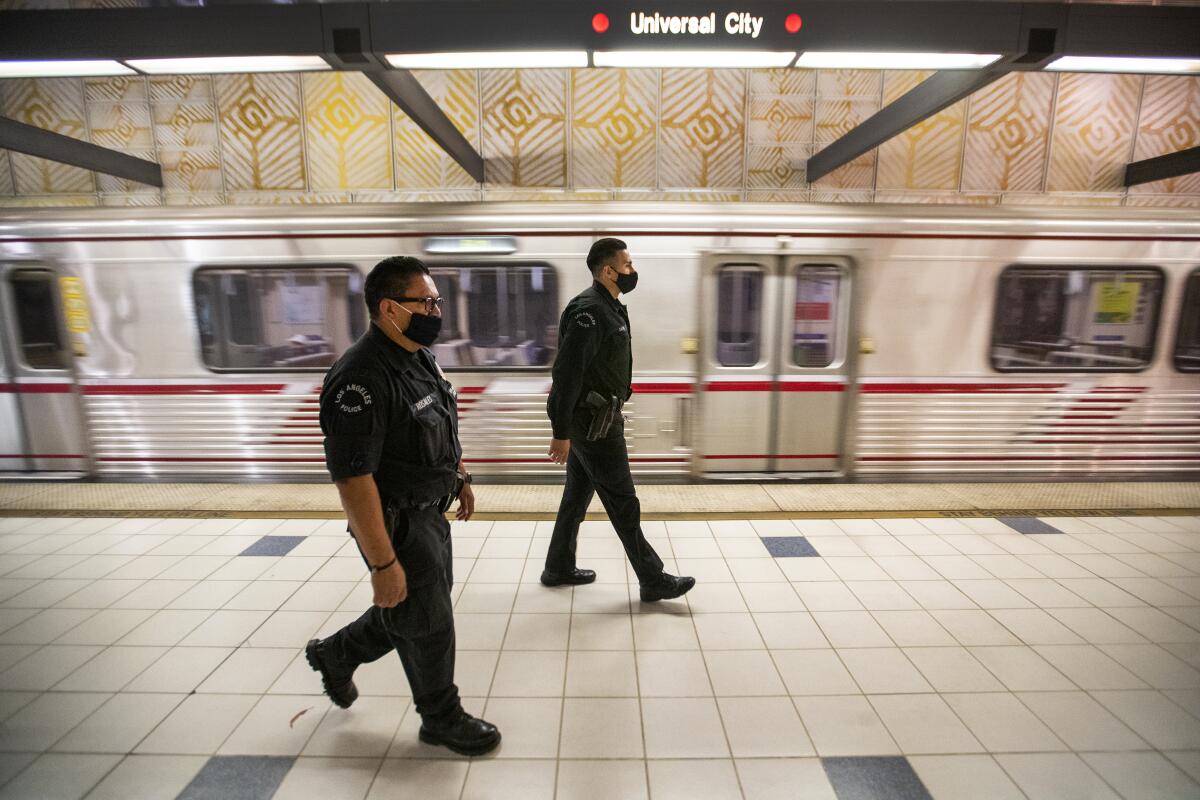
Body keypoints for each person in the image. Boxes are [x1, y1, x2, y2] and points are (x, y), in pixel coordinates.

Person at [305, 255, 500, 756]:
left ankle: (335, 654)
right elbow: (353, 480)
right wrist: (383, 561)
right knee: (429, 620)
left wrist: (459, 478)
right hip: (396, 522)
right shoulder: (360, 378)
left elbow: (437, 423)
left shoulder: (415, 354)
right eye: (427, 301)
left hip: (428, 513)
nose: (437, 310)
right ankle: (441, 717)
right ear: (390, 308)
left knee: (414, 607)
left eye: (436, 300)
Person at [543, 238, 696, 602]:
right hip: (594, 425)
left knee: (576, 497)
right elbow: (567, 375)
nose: (633, 271)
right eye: (628, 265)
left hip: (598, 419)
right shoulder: (589, 311)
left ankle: (558, 567)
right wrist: (560, 432)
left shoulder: (608, 305)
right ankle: (653, 578)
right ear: (609, 271)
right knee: (623, 501)